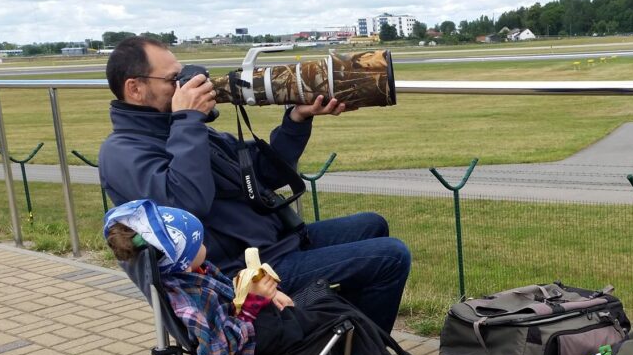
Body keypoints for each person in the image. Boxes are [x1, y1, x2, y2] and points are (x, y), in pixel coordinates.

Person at [98, 36, 409, 335]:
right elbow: (186, 206)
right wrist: (188, 120)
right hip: (242, 276)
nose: (187, 85)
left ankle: (340, 345)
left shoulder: (182, 129)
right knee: (392, 256)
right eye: (172, 80)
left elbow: (264, 174)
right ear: (135, 88)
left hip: (275, 244)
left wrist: (297, 118)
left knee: (372, 225)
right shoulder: (123, 152)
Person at [103, 199, 425, 355]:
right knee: (338, 315)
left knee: (320, 293)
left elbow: (229, 300)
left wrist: (256, 289)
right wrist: (255, 304)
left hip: (261, 324)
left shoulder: (190, 273)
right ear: (183, 260)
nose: (207, 247)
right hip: (256, 344)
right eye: (201, 243)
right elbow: (218, 349)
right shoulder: (188, 299)